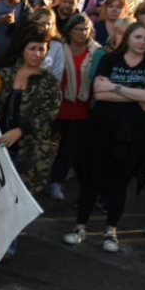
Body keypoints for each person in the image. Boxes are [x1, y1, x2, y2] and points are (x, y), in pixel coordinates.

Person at [64, 22, 145, 252]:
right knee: (92, 178)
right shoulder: (110, 60)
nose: (142, 42)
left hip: (133, 134)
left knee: (120, 182)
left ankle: (111, 232)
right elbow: (99, 93)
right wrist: (136, 96)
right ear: (128, 38)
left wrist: (115, 88)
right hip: (102, 129)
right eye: (137, 37)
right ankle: (80, 227)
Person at [0, 25, 62, 196]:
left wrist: (20, 130)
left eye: (42, 49)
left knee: (21, 198)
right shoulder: (6, 74)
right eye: (32, 49)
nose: (37, 54)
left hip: (31, 152)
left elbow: (49, 114)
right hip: (1, 145)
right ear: (22, 49)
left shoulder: (49, 81)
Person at [46, 14, 99, 201]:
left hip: (80, 107)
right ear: (69, 30)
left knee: (68, 148)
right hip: (57, 105)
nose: (82, 33)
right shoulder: (58, 48)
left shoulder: (96, 52)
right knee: (44, 144)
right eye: (78, 29)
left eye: (86, 29)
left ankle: (56, 182)